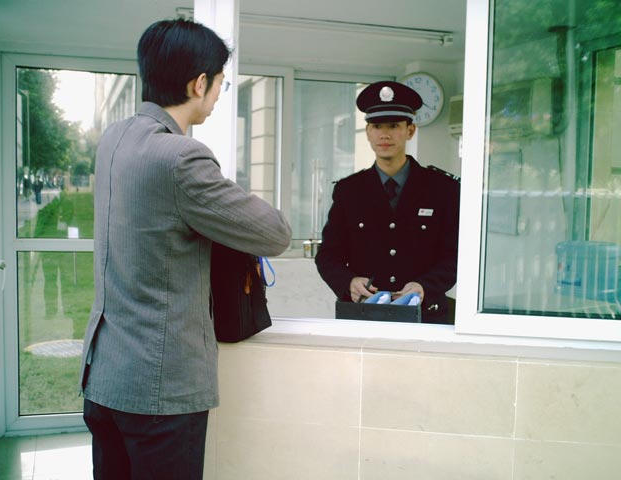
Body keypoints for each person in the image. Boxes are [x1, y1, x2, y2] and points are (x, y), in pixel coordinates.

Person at [79, 19, 292, 480]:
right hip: (159, 393)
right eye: (220, 84)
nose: (217, 95)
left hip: (105, 378)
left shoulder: (114, 139)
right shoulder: (181, 157)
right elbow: (275, 234)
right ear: (199, 84)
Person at [315, 81, 460, 324]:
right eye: (377, 126)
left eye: (394, 126)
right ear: (368, 132)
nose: (385, 134)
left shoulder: (442, 189)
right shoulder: (349, 191)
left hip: (426, 315)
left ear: (410, 130)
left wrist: (425, 286)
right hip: (365, 313)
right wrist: (348, 282)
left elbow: (455, 255)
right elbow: (328, 256)